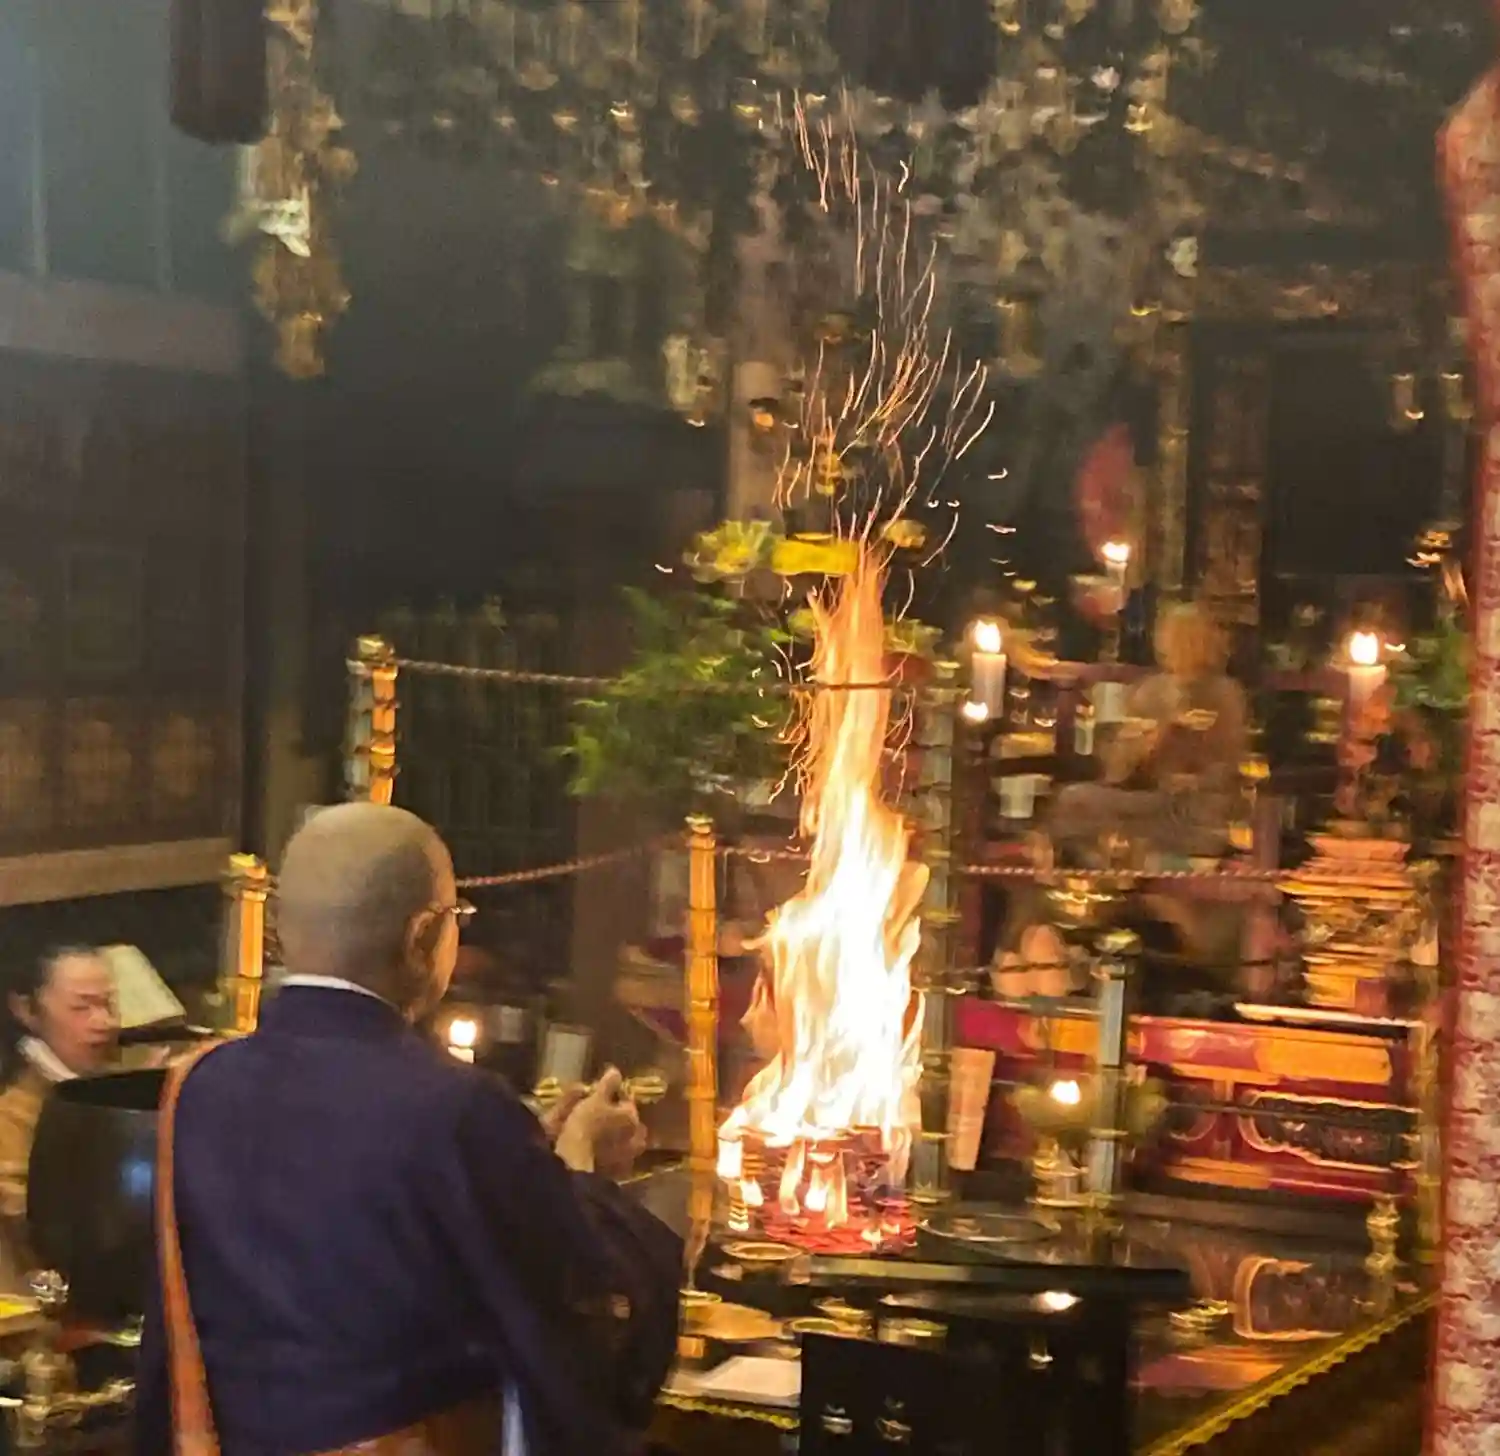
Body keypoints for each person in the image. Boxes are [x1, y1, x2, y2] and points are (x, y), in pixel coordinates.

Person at [134, 802, 682, 1456]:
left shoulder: (199, 1086)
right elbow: (580, 1315)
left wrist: (526, 1157)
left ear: (278, 929)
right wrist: (582, 1169)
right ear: (423, 936)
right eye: (456, 918)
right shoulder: (458, 1111)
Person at [0, 946, 120, 1287]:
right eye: (82, 1007)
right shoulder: (11, 1113)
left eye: (108, 1005)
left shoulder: (110, 1081)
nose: (104, 1022)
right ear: (26, 1010)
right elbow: (30, 1229)